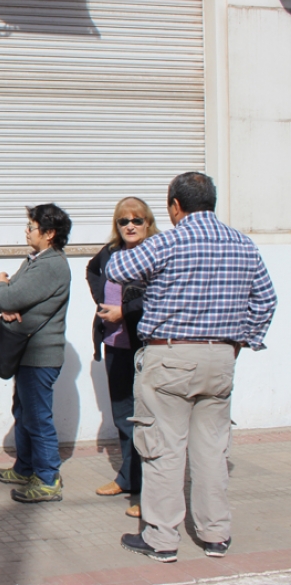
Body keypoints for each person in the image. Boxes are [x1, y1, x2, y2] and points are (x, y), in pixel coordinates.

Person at [107, 172, 277, 563]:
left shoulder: (169, 241)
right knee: (212, 451)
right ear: (212, 202)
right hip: (221, 357)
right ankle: (215, 534)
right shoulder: (243, 244)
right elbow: (266, 300)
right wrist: (241, 340)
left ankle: (162, 539)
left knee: (163, 449)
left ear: (174, 206)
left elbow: (117, 270)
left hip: (171, 356)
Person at [0, 204, 72, 503]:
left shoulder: (51, 265)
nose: (27, 232)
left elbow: (8, 295)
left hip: (41, 358)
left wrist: (0, 282)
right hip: (27, 355)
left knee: (38, 419)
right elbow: (13, 298)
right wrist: (10, 300)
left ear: (49, 233)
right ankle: (26, 468)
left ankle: (48, 478)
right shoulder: (36, 260)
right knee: (23, 413)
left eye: (32, 227)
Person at [86, 197, 160, 518]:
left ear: (148, 222)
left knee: (146, 420)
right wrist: (102, 300)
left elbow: (159, 297)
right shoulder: (110, 253)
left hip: (145, 346)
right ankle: (128, 478)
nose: (130, 225)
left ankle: (147, 491)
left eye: (136, 220)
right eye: (123, 221)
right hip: (115, 344)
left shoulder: (157, 252)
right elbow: (91, 270)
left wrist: (124, 310)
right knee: (121, 415)